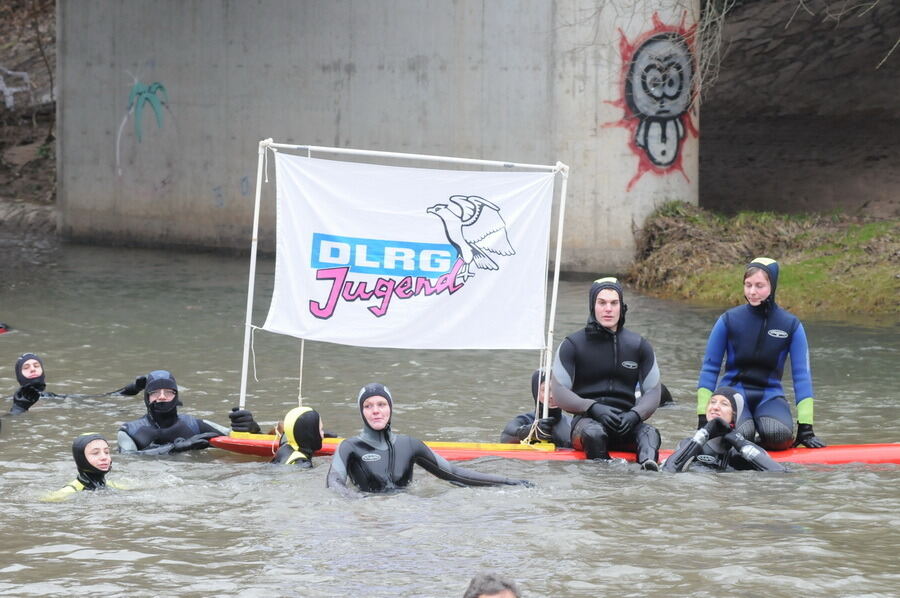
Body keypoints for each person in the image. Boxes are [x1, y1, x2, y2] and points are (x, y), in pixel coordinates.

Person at [697, 257, 825, 451]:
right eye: (748, 285)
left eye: (759, 285)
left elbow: (802, 376)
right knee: (740, 436)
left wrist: (806, 427)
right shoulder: (729, 320)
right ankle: (744, 437)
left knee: (778, 436)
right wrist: (702, 419)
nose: (752, 292)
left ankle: (759, 443)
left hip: (769, 396)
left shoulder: (790, 325)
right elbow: (709, 369)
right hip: (732, 395)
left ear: (772, 286)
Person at [327, 383, 532, 497]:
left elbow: (454, 474)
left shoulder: (410, 445)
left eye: (381, 404)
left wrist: (509, 482)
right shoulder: (350, 447)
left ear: (390, 408)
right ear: (361, 412)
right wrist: (358, 502)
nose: (376, 411)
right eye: (368, 406)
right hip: (368, 519)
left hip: (406, 517)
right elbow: (334, 483)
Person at [551, 277, 663, 470]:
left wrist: (635, 415)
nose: (608, 309)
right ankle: (604, 479)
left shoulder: (639, 346)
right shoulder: (572, 345)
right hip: (586, 425)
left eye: (614, 303)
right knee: (595, 434)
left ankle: (649, 473)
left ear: (622, 306)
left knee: (650, 434)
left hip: (626, 423)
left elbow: (653, 392)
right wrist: (592, 407)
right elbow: (559, 392)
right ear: (593, 306)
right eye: (602, 303)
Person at [117, 369, 261, 455]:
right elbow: (129, 460)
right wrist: (174, 449)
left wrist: (252, 430)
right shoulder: (130, 431)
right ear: (147, 397)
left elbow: (237, 440)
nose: (161, 396)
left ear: (176, 396)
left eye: (168, 392)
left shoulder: (195, 425)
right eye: (155, 392)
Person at [662, 386, 786, 472]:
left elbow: (779, 473)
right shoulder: (689, 444)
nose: (715, 407)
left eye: (724, 404)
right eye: (713, 402)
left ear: (735, 415)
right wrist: (704, 433)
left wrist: (740, 443)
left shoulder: (744, 450)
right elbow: (668, 470)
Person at [6, 352, 147, 415]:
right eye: (26, 367)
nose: (32, 369)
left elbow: (101, 398)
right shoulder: (11, 401)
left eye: (36, 365)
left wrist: (134, 388)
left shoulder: (52, 397)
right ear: (19, 375)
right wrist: (18, 409)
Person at [42, 433, 127, 501]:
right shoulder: (66, 492)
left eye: (106, 452)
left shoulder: (114, 485)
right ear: (81, 458)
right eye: (95, 453)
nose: (104, 457)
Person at [500, 369, 572, 446]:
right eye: (546, 390)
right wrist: (531, 432)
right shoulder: (524, 420)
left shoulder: (571, 425)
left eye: (556, 389)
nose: (551, 396)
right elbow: (505, 437)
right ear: (536, 393)